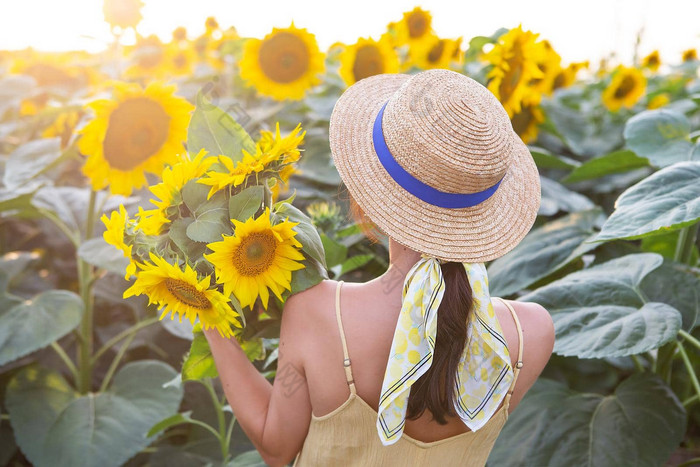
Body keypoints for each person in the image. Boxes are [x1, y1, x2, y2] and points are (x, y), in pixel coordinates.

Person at [204, 69, 555, 466]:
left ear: (367, 200)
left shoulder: (319, 313)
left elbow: (276, 448)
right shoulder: (532, 334)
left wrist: (211, 317)